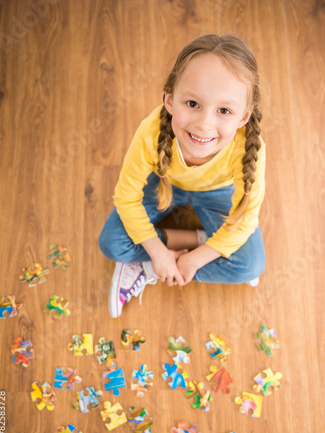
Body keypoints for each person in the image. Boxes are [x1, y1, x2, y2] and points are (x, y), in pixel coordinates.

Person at [99, 33, 266, 318]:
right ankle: (184, 247)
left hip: (218, 193)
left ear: (243, 117)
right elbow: (126, 198)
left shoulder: (249, 149)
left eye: (224, 110)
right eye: (192, 104)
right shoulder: (151, 133)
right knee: (112, 242)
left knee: (249, 265)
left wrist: (194, 261)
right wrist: (157, 252)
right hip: (163, 181)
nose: (204, 124)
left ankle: (153, 262)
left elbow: (246, 218)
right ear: (169, 99)